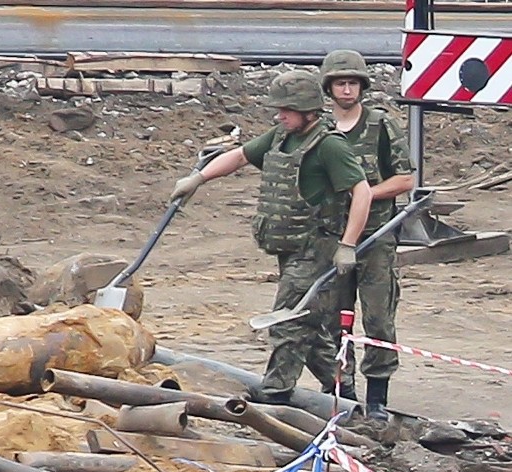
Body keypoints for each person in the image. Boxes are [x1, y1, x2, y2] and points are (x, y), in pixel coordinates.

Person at [169, 69, 373, 404]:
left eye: (286, 110)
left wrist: (347, 245)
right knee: (307, 324)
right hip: (289, 245)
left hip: (316, 246)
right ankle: (341, 386)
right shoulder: (282, 136)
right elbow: (240, 156)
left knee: (287, 322)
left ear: (307, 110)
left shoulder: (330, 145)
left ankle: (276, 392)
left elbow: (361, 192)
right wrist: (198, 179)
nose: (279, 115)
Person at [311, 49, 416, 421]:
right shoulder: (318, 130)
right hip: (330, 238)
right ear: (329, 87)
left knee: (378, 319)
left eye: (353, 82)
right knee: (330, 319)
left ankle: (377, 399)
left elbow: (406, 178)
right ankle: (343, 392)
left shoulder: (380, 125)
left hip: (375, 240)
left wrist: (366, 192)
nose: (346, 89)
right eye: (340, 83)